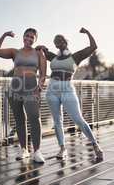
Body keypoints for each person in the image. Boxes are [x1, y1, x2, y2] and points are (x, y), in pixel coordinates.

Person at [36, 27, 103, 161]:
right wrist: (41, 47)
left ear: (66, 42)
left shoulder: (75, 56)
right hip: (52, 90)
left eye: (61, 39)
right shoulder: (53, 57)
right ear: (55, 44)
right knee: (57, 121)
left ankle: (95, 144)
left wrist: (87, 32)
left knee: (78, 119)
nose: (58, 41)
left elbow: (93, 46)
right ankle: (62, 148)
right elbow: (40, 50)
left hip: (67, 89)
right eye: (56, 40)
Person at [0, 28, 46, 163]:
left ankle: (37, 151)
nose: (29, 38)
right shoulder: (15, 52)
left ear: (35, 39)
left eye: (32, 37)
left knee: (34, 118)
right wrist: (4, 35)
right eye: (27, 36)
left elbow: (43, 74)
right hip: (15, 88)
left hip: (31, 89)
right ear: (23, 37)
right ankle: (24, 150)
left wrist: (38, 88)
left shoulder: (39, 53)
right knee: (19, 120)